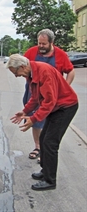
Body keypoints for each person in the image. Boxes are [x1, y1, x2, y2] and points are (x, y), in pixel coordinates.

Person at [7, 54, 78, 191]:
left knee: (50, 142)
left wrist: (33, 119)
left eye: (15, 72)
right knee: (44, 138)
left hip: (65, 107)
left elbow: (49, 101)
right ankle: (45, 171)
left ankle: (50, 180)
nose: (16, 76)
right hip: (56, 107)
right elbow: (35, 97)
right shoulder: (31, 74)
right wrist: (25, 111)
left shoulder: (44, 72)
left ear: (22, 67)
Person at [23, 29, 75, 164]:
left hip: (51, 94)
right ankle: (38, 147)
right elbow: (24, 67)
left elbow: (70, 71)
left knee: (48, 121)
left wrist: (64, 87)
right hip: (34, 91)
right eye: (39, 43)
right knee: (35, 120)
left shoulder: (60, 55)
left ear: (52, 42)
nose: (40, 46)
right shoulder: (31, 52)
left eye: (44, 44)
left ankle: (46, 152)